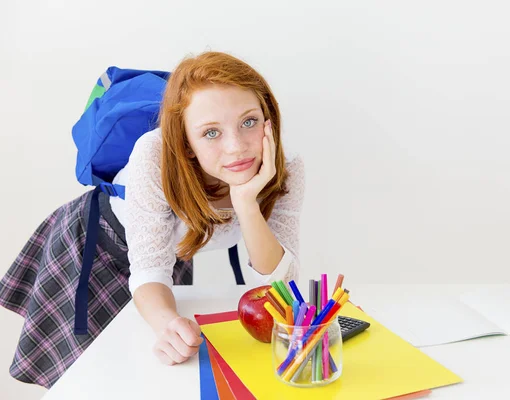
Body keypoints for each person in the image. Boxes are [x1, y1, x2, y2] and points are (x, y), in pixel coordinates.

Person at [0, 51, 304, 387]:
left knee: (156, 376)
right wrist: (167, 324)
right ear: (186, 142)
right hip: (95, 243)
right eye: (211, 133)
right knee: (93, 379)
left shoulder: (285, 170)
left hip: (172, 252)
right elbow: (148, 269)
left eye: (248, 121)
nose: (236, 147)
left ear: (268, 120)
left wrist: (246, 202)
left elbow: (281, 283)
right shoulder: (154, 154)